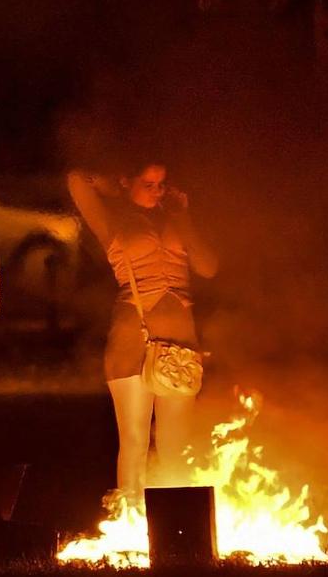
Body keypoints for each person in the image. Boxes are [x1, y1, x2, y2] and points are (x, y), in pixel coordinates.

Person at [67, 162, 218, 506]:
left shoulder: (175, 218)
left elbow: (208, 267)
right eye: (147, 183)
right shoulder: (114, 222)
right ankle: (130, 521)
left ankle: (177, 532)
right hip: (131, 337)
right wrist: (115, 186)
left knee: (174, 443)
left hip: (181, 342)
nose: (156, 190)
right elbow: (76, 179)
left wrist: (183, 216)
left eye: (162, 185)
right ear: (128, 182)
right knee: (134, 439)